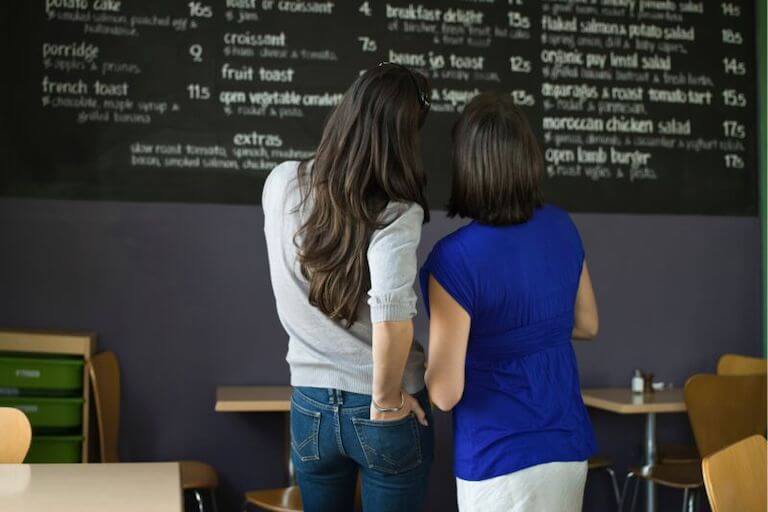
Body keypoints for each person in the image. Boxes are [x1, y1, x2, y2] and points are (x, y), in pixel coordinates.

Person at [262, 63, 434, 512]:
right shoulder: (397, 212)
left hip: (309, 403)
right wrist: (386, 400)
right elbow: (392, 318)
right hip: (381, 406)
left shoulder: (282, 183)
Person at [420, 92, 598, 512]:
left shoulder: (454, 258)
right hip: (567, 449)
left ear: (467, 165)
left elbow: (445, 393)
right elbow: (587, 323)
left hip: (497, 459)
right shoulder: (562, 226)